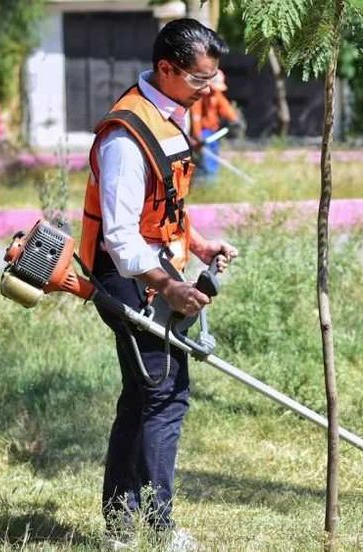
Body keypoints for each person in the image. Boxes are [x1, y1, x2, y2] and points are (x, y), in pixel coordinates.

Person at [77, 18, 238, 548]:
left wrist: (197, 245)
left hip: (153, 269)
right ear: (166, 69)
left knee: (144, 396)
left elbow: (163, 206)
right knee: (163, 398)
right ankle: (156, 527)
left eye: (211, 79)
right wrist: (166, 286)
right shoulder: (125, 136)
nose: (207, 90)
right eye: (198, 80)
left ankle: (122, 526)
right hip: (128, 278)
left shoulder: (168, 115)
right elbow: (122, 238)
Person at [189, 69, 241, 179]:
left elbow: (224, 106)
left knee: (213, 156)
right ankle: (207, 181)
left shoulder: (216, 94)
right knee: (205, 159)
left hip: (212, 132)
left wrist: (234, 119)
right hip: (202, 134)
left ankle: (212, 179)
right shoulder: (198, 97)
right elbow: (196, 117)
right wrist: (197, 137)